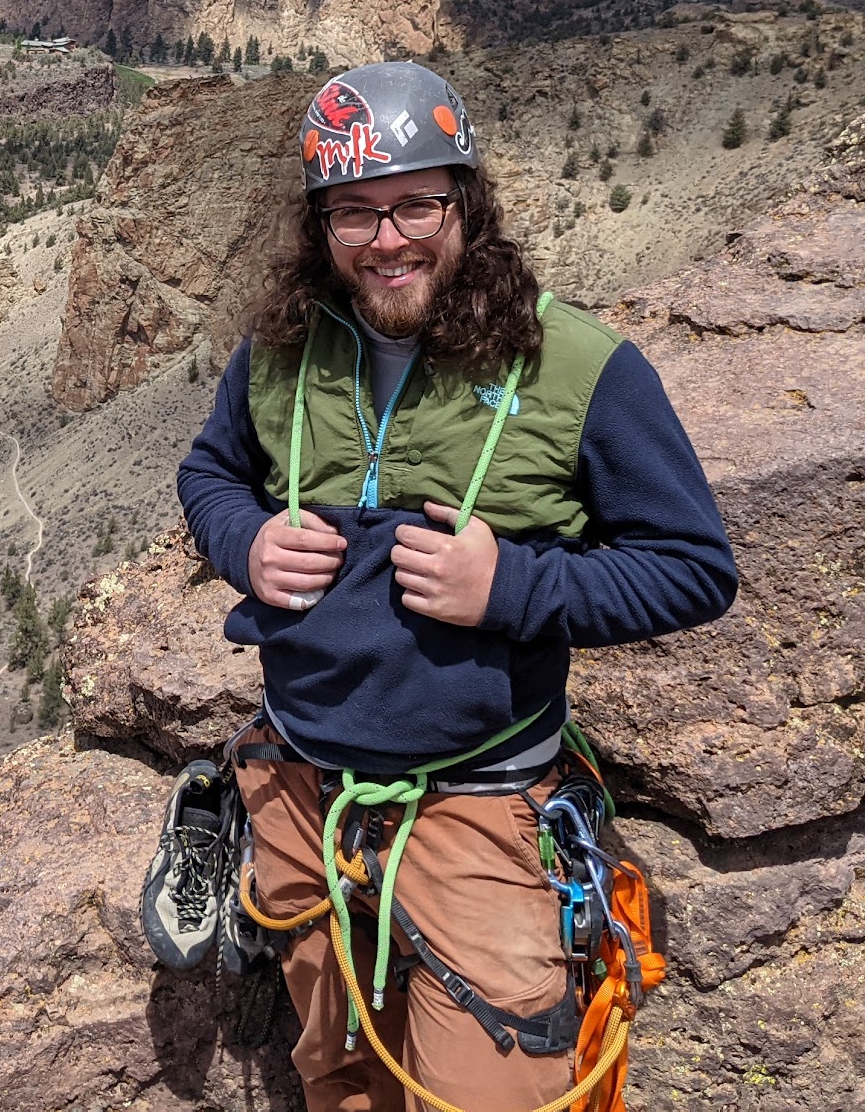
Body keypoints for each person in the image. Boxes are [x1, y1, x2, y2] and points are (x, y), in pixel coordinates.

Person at [175, 61, 738, 1112]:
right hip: (301, 792)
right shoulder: (281, 350)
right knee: (334, 1073)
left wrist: (510, 584)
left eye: (416, 203)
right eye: (354, 211)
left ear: (465, 204)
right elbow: (210, 470)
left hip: (481, 803)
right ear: (319, 225)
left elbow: (693, 567)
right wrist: (242, 537)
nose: (387, 238)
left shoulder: (575, 365)